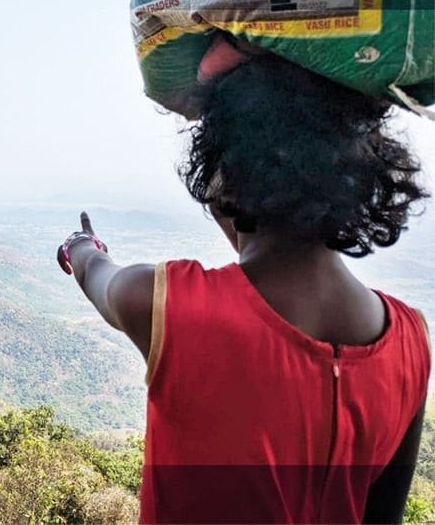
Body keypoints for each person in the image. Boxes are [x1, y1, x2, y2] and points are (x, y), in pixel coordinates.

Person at [57, 35, 430, 523]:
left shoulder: (171, 308)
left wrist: (80, 246)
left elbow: (96, 275)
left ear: (225, 169)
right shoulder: (411, 341)